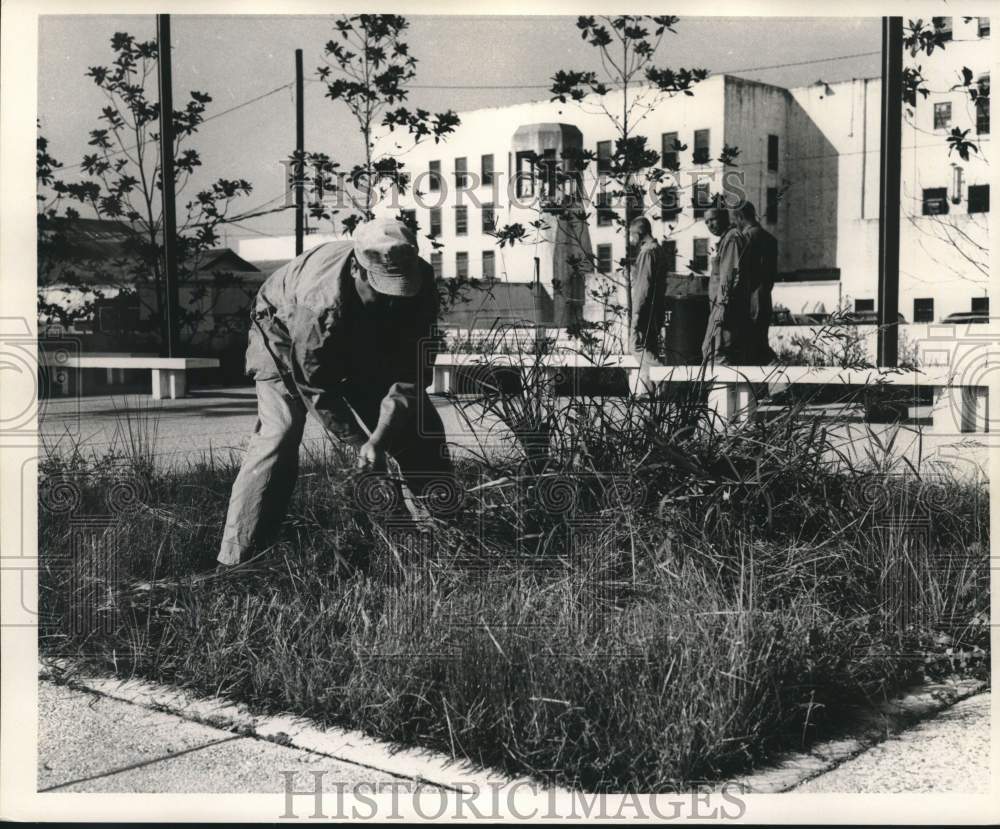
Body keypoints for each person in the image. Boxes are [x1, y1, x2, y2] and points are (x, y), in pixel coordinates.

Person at [217, 217, 452, 568]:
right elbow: (316, 386)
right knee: (279, 435)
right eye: (382, 288)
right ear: (358, 270)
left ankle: (450, 533)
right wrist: (362, 444)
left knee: (418, 427)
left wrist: (382, 437)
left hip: (363, 335)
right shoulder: (318, 305)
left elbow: (410, 374)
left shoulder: (418, 282)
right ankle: (239, 559)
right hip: (283, 331)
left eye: (401, 288)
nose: (394, 298)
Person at [701, 207, 750, 364]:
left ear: (724, 218)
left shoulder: (731, 239)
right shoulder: (726, 239)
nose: (710, 225)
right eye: (707, 222)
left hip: (724, 307)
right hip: (722, 306)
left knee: (714, 352)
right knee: (721, 353)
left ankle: (723, 388)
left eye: (713, 219)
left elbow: (729, 277)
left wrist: (722, 307)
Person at [732, 201, 778, 364]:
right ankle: (775, 385)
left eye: (735, 220)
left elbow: (741, 271)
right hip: (765, 297)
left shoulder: (747, 238)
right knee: (760, 342)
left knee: (752, 348)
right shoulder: (770, 238)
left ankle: (777, 384)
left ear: (740, 217)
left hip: (750, 298)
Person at [628, 216, 667, 387]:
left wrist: (636, 313)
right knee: (649, 348)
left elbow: (643, 286)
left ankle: (664, 376)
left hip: (645, 310)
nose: (631, 239)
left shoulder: (647, 252)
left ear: (640, 232)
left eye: (632, 234)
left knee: (635, 346)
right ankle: (651, 391)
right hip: (656, 309)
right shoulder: (658, 249)